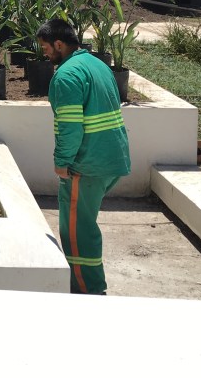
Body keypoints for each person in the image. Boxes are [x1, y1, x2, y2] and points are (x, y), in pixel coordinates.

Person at [36, 18, 131, 295]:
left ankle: (87, 289)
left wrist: (62, 162)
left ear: (59, 44)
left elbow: (70, 127)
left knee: (78, 231)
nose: (44, 54)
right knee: (84, 223)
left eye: (45, 48)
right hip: (112, 158)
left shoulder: (66, 76)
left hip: (86, 165)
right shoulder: (97, 65)